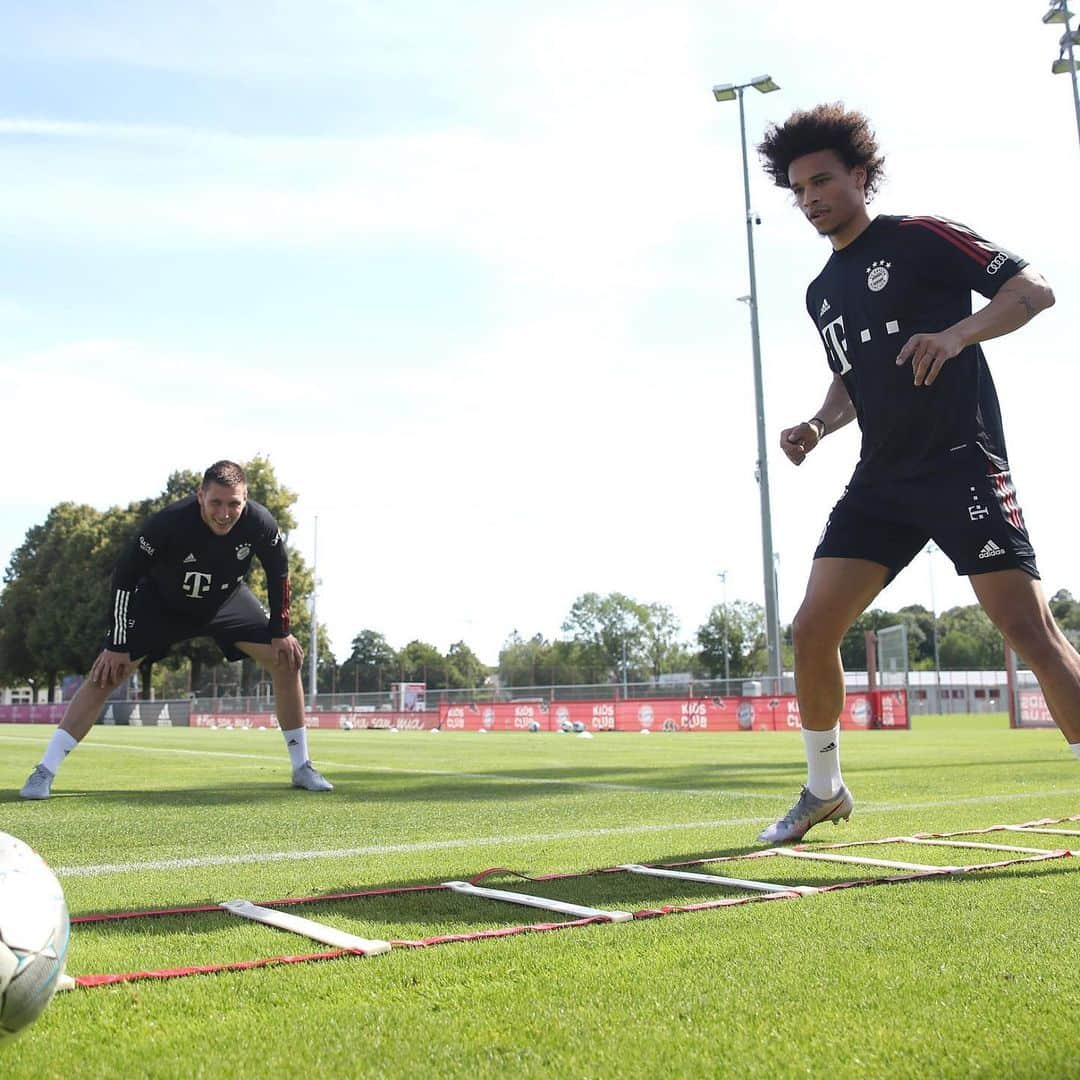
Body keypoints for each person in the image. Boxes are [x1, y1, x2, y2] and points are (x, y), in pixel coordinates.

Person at [753, 103, 1080, 843]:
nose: (811, 199)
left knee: (1028, 629)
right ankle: (824, 788)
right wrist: (817, 423)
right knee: (812, 629)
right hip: (881, 480)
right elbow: (852, 380)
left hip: (961, 461)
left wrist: (958, 333)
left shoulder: (921, 237)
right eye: (799, 189)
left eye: (823, 181)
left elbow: (1034, 289)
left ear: (860, 176)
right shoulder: (819, 292)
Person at [19, 460, 333, 799]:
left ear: (245, 499)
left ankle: (302, 766)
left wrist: (281, 630)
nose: (225, 513)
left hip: (225, 601)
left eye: (234, 504)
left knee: (287, 659)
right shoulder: (167, 522)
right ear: (201, 496)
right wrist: (117, 641)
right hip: (162, 605)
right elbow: (124, 575)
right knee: (106, 673)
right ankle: (44, 771)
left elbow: (279, 574)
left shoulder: (260, 523)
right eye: (216, 502)